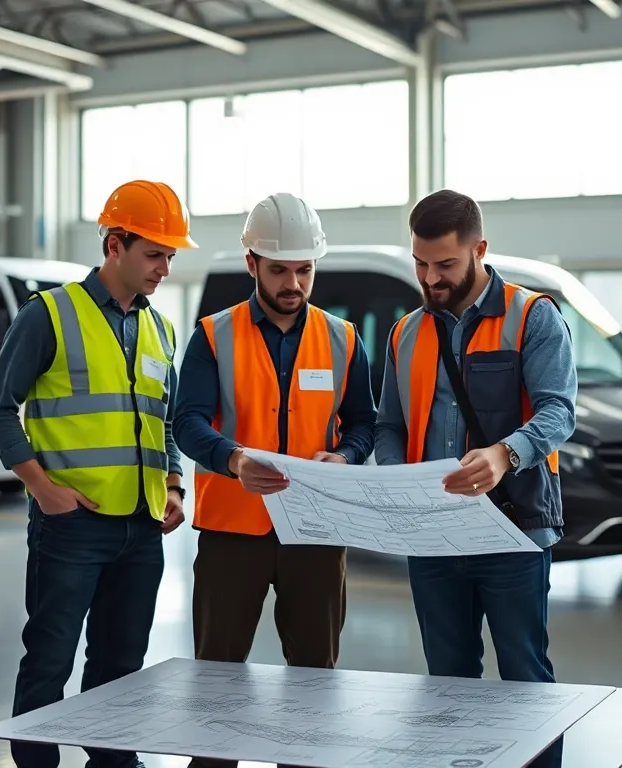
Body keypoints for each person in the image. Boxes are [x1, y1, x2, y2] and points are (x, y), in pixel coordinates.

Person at [0, 179, 193, 768]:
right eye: (155, 254)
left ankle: (115, 762)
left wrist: (172, 483)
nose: (164, 269)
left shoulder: (160, 329)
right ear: (115, 244)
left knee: (122, 665)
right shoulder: (49, 314)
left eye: (170, 257)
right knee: (49, 658)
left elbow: (164, 423)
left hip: (144, 528)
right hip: (72, 526)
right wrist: (42, 488)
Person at [373, 189, 577, 768]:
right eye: (420, 263)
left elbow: (558, 411)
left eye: (445, 264)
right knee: (448, 684)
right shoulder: (404, 332)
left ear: (479, 249)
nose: (430, 277)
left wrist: (504, 456)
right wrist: (396, 479)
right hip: (433, 537)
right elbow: (390, 425)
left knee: (525, 678)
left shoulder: (532, 317)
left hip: (513, 531)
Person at [172, 192, 377, 768]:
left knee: (314, 681)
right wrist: (234, 459)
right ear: (252, 264)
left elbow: (364, 422)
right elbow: (185, 423)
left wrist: (348, 456)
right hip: (231, 531)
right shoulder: (213, 335)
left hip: (315, 532)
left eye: (304, 269)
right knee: (218, 681)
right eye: (281, 269)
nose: (294, 282)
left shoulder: (343, 339)